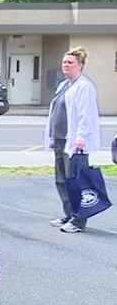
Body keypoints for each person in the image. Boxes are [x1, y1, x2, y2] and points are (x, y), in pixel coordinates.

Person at [44, 46, 102, 233]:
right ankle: (68, 214)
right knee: (61, 179)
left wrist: (81, 138)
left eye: (70, 63)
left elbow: (86, 115)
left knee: (75, 180)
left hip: (75, 143)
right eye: (64, 62)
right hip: (60, 140)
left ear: (80, 65)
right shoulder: (64, 86)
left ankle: (79, 220)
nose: (65, 65)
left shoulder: (84, 87)